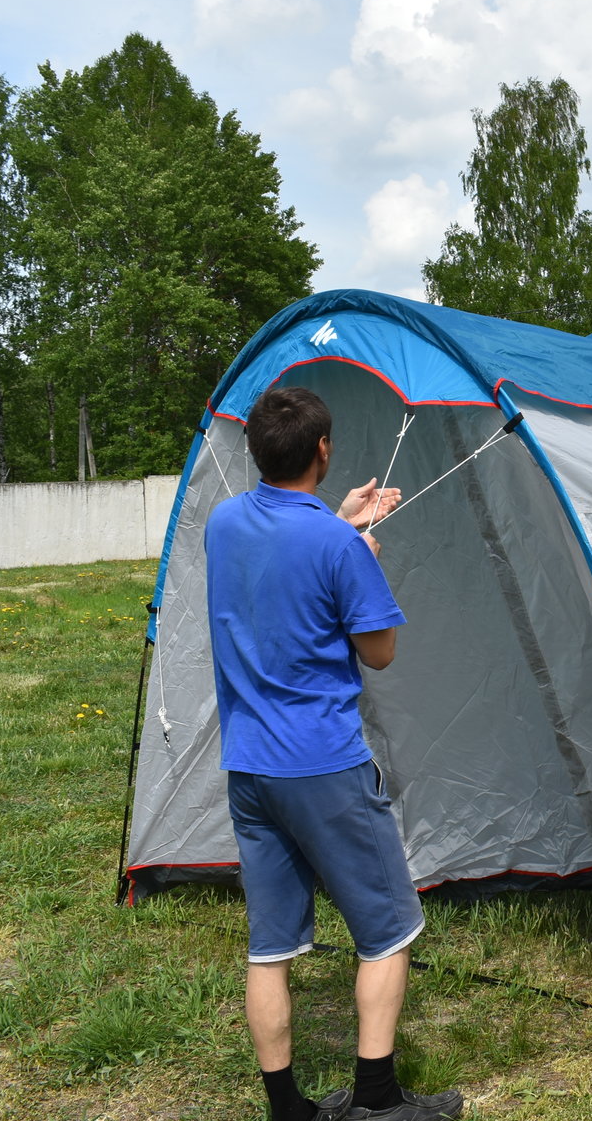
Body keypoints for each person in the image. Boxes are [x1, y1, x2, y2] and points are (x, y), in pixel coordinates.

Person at [206, 385, 463, 1121]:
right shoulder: (338, 548)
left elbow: (282, 554)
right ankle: (377, 1102)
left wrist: (343, 525)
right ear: (323, 450)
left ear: (255, 450)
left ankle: (287, 1110)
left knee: (269, 949)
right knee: (388, 932)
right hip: (323, 766)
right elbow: (378, 652)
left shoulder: (223, 522)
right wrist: (361, 555)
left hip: (249, 768)